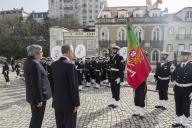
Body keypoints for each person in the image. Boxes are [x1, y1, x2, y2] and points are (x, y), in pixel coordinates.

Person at [51, 45, 80, 128]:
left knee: (60, 125)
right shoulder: (70, 65)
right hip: (68, 103)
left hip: (57, 102)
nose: (73, 53)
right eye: (72, 51)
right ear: (69, 52)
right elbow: (73, 86)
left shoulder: (54, 65)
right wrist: (76, 103)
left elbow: (52, 84)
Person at [24, 44, 52, 128]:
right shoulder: (35, 64)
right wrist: (39, 100)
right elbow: (36, 83)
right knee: (37, 119)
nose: (42, 54)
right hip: (38, 97)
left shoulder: (29, 61)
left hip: (33, 96)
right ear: (36, 53)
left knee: (36, 117)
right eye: (41, 52)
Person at [171, 51, 192, 128]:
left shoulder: (191, 66)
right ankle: (178, 122)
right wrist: (172, 71)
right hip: (178, 89)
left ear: (188, 57)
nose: (182, 57)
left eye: (184, 55)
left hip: (187, 90)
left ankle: (184, 124)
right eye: (181, 55)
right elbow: (173, 78)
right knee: (178, 105)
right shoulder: (178, 66)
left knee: (186, 107)